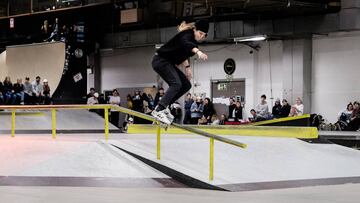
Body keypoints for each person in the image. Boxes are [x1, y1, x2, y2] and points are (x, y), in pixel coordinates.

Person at [151, 19, 209, 124]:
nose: (201, 36)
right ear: (194, 29)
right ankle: (158, 110)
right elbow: (185, 43)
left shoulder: (193, 42)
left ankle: (165, 106)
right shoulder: (186, 34)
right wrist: (198, 52)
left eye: (203, 35)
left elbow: (184, 54)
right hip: (160, 60)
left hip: (168, 63)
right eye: (200, 33)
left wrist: (188, 68)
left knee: (186, 85)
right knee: (176, 84)